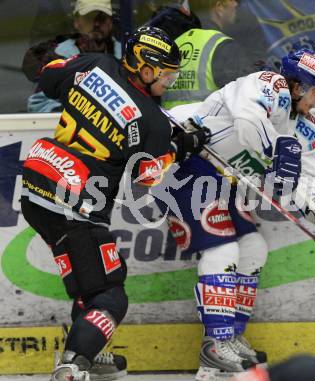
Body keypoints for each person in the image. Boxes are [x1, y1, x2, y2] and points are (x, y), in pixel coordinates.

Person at [161, 48, 315, 381]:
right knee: (223, 249)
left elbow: (307, 186)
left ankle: (230, 337)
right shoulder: (268, 83)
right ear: (297, 85)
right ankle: (215, 347)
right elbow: (247, 120)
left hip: (219, 176)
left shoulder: (310, 131)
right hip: (183, 158)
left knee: (254, 247)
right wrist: (276, 148)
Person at [20, 26, 209, 381]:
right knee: (109, 294)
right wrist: (181, 146)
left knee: (87, 284)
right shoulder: (152, 121)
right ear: (146, 67)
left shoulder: (94, 63)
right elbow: (147, 177)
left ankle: (88, 350)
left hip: (37, 184)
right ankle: (74, 364)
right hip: (75, 201)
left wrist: (53, 61)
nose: (169, 80)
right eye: (166, 73)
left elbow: (47, 77)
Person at [22, 0, 122, 113]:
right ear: (76, 22)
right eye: (90, 17)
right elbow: (38, 104)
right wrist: (66, 113)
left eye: (102, 18)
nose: (96, 24)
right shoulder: (58, 56)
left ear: (110, 22)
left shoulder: (126, 56)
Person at [160, 0, 255, 109]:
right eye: (231, 0)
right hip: (207, 124)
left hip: (171, 123)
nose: (235, 4)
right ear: (219, 7)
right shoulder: (224, 47)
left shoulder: (175, 44)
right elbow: (246, 100)